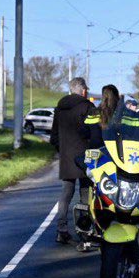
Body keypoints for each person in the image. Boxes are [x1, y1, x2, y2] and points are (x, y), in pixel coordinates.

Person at [50, 77, 94, 245]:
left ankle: (61, 230)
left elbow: (53, 135)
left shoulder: (60, 107)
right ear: (83, 90)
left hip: (66, 157)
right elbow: (93, 131)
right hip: (85, 156)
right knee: (85, 194)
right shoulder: (87, 107)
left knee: (66, 194)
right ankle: (85, 229)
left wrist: (61, 151)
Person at [84, 83, 119, 149]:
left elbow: (85, 132)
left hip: (96, 151)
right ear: (117, 97)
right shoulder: (121, 113)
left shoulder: (93, 113)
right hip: (116, 153)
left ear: (103, 96)